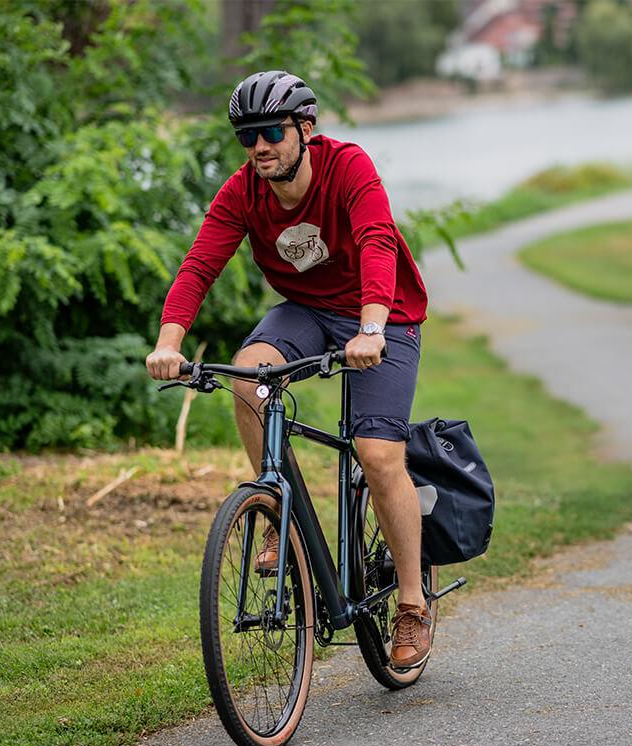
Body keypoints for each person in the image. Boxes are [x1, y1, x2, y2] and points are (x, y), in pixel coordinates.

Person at [145, 70, 432, 670]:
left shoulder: (348, 167)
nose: (259, 147)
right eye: (247, 137)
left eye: (271, 131)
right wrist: (168, 344)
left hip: (385, 314)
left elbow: (378, 242)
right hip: (305, 311)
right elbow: (199, 266)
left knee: (378, 454)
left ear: (305, 128)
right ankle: (279, 515)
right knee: (247, 376)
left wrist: (372, 329)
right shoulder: (242, 192)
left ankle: (411, 602)